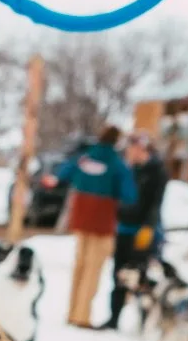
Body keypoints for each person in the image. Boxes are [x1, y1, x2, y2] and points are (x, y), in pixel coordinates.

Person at [55, 124, 135, 327]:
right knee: (93, 269)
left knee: (79, 265)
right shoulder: (116, 163)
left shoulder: (85, 156)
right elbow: (129, 194)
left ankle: (72, 311)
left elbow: (64, 173)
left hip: (81, 216)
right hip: (102, 221)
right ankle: (83, 315)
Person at [103, 130, 169, 329]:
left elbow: (156, 203)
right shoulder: (127, 169)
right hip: (123, 228)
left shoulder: (157, 171)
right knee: (119, 275)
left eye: (134, 148)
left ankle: (144, 321)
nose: (131, 152)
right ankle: (114, 319)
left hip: (143, 231)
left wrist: (149, 227)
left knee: (141, 278)